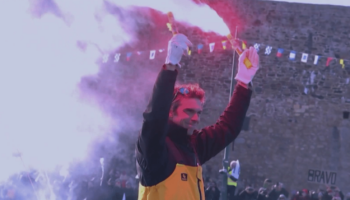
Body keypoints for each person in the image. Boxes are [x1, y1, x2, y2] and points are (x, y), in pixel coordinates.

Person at [136, 33, 259, 200]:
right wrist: (170, 67)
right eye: (189, 111)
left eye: (198, 112)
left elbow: (227, 128)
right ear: (170, 112)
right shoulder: (154, 149)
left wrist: (244, 83)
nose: (196, 118)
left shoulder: (194, 146)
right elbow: (154, 118)